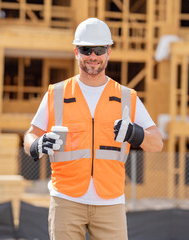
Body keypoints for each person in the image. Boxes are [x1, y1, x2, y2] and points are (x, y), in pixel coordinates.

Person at [24, 18, 163, 240]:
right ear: (76, 52)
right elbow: (30, 135)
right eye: (86, 49)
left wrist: (135, 134)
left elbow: (157, 143)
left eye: (98, 49)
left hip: (110, 202)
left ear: (108, 52)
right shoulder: (56, 94)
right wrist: (36, 145)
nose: (93, 56)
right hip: (66, 200)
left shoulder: (127, 97)